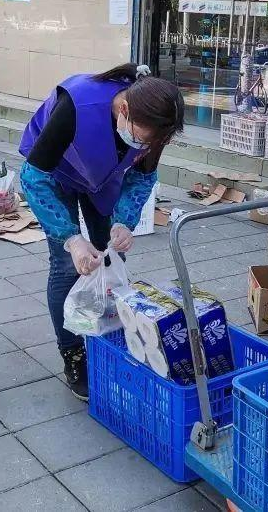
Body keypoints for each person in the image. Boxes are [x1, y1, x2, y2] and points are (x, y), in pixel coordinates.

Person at [19, 64, 184, 399]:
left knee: (109, 255)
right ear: (124, 110)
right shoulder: (76, 106)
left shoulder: (154, 128)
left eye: (152, 142)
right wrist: (71, 239)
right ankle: (72, 353)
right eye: (142, 139)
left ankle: (105, 335)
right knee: (68, 265)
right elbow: (33, 178)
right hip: (55, 175)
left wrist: (124, 221)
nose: (145, 145)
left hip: (102, 177)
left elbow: (143, 177)